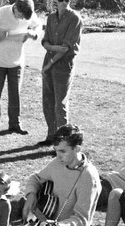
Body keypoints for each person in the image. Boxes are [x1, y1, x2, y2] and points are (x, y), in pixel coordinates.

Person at [21, 123, 101, 226]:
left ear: (77, 148)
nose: (57, 156)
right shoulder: (57, 163)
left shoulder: (89, 178)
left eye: (63, 151)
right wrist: (31, 195)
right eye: (55, 151)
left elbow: (81, 222)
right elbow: (35, 178)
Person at [0, 0, 42, 136]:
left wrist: (34, 33)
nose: (23, 19)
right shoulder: (1, 13)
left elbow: (38, 25)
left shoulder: (27, 13)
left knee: (15, 95)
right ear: (16, 8)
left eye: (25, 17)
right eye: (21, 16)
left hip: (17, 62)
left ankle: (15, 125)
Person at [39, 0, 83, 146]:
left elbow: (65, 49)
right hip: (49, 62)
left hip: (63, 64)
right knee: (48, 101)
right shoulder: (51, 17)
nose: (64, 2)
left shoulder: (75, 18)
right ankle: (51, 136)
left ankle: (62, 142)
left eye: (67, 0)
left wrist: (50, 57)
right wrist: (51, 48)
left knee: (60, 104)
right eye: (60, 0)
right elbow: (44, 41)